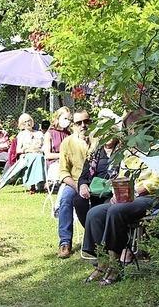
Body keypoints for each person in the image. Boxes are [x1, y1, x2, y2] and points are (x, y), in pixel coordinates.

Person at [83, 154, 159, 285]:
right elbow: (121, 178)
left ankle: (115, 264)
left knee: (116, 211)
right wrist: (117, 193)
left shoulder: (157, 150)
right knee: (94, 214)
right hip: (126, 197)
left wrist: (133, 193)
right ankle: (102, 262)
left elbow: (157, 180)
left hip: (151, 197)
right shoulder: (127, 153)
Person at [55, 110, 93, 258]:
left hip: (96, 182)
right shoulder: (67, 143)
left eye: (86, 121)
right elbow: (63, 172)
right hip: (75, 182)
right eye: (79, 123)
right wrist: (78, 187)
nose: (83, 125)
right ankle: (65, 242)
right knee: (65, 200)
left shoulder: (99, 139)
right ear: (73, 126)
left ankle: (95, 237)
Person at [74, 135, 120, 227]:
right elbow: (83, 177)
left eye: (110, 132)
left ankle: (98, 234)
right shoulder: (93, 154)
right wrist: (83, 186)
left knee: (106, 207)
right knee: (79, 200)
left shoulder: (122, 152)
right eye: (105, 132)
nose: (108, 135)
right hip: (94, 191)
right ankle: (89, 229)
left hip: (112, 191)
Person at [15, 113, 46, 192]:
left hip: (39, 153)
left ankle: (38, 183)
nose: (28, 123)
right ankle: (34, 184)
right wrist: (28, 149)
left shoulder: (39, 133)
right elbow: (18, 150)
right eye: (25, 122)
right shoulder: (21, 134)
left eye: (29, 120)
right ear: (22, 124)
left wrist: (39, 150)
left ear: (32, 121)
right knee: (35, 158)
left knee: (39, 157)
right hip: (27, 154)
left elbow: (45, 146)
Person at [42, 106, 71, 183]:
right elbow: (47, 155)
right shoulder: (49, 134)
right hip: (54, 162)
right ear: (58, 118)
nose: (67, 121)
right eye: (65, 118)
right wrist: (62, 155)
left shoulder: (69, 134)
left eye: (69, 119)